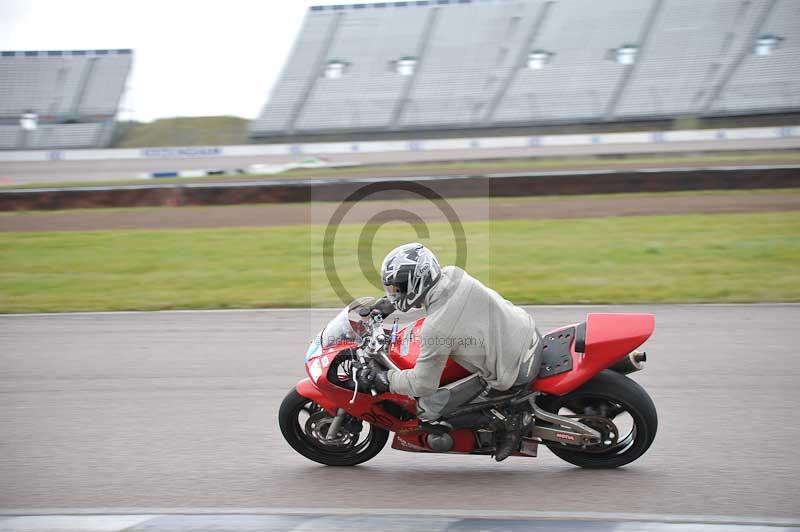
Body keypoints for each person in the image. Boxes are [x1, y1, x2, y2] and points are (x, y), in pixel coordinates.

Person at [358, 242, 543, 462]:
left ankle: (511, 422)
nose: (394, 294)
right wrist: (389, 305)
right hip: (524, 331)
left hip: (513, 370)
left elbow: (423, 383)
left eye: (398, 289)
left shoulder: (437, 327)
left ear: (416, 283)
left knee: (427, 408)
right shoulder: (452, 274)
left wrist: (385, 379)